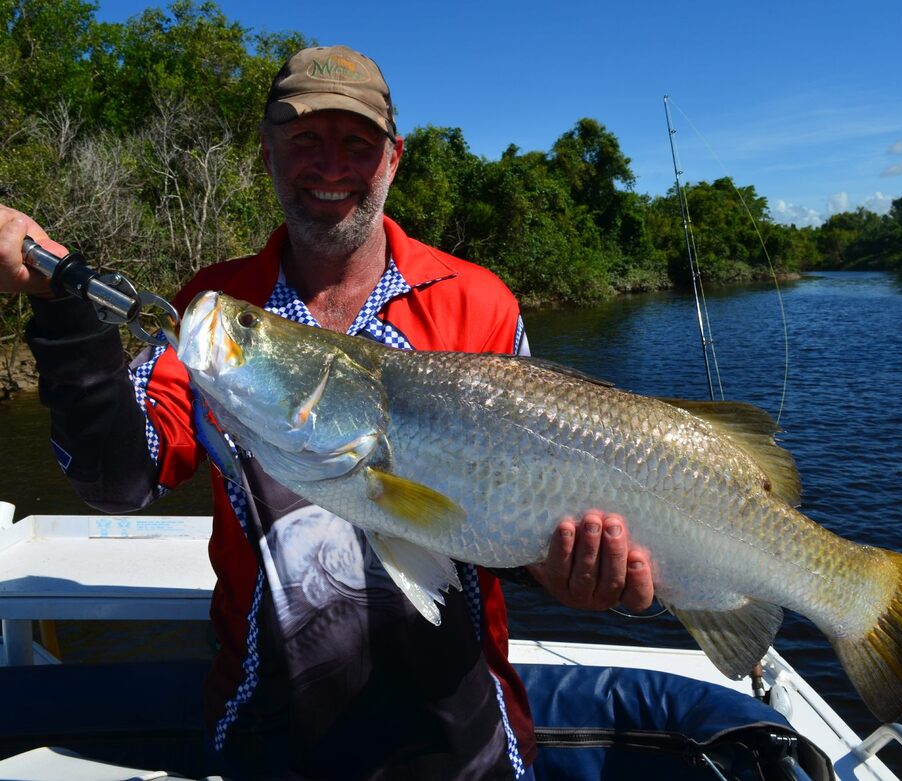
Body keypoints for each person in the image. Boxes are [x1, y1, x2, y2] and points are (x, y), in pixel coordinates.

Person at [0, 46, 653, 780]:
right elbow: (120, 479)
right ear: (267, 149)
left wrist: (566, 569)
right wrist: (64, 310)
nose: (331, 165)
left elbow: (516, 512)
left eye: (357, 143)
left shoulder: (480, 303)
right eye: (304, 138)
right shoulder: (216, 312)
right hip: (268, 738)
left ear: (393, 159)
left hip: (464, 740)